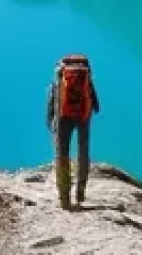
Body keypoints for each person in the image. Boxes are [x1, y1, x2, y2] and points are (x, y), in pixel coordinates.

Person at [46, 53, 100, 209]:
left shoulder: (58, 80)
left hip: (63, 117)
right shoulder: (87, 79)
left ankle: (64, 197)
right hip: (83, 117)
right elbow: (95, 103)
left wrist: (50, 119)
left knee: (62, 155)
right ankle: (80, 191)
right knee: (83, 152)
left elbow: (51, 102)